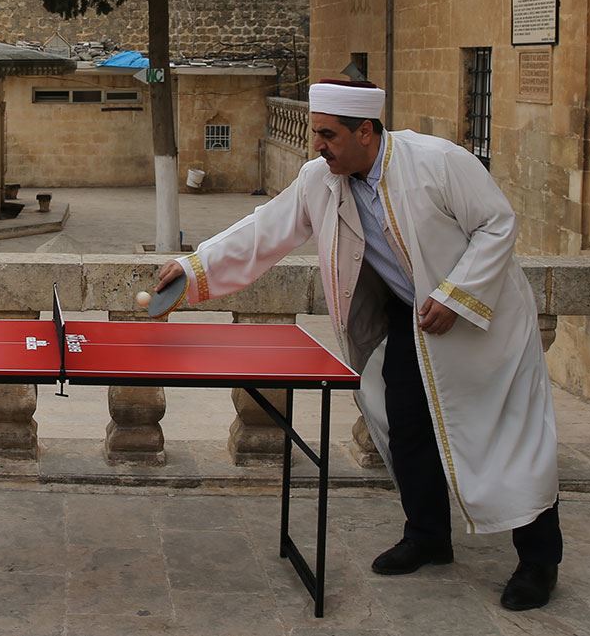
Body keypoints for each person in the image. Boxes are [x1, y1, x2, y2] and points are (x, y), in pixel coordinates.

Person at [157, 79, 561, 612]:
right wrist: (194, 265)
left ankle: (538, 563)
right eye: (315, 133)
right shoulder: (320, 179)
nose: (317, 145)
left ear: (365, 132)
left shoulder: (438, 162)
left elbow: (497, 224)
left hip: (486, 324)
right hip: (415, 322)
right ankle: (427, 536)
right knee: (408, 426)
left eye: (328, 135)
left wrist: (458, 295)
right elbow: (264, 229)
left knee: (512, 439)